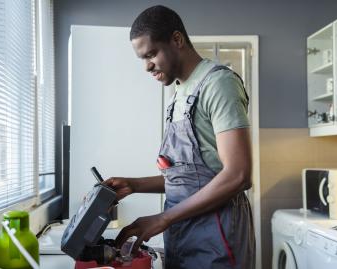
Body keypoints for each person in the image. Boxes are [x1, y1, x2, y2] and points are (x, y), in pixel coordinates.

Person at [103, 5, 255, 269]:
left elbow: (239, 175)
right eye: (142, 58)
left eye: (151, 54)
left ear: (177, 40)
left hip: (217, 236)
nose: (147, 66)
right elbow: (191, 178)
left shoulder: (218, 84)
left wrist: (163, 218)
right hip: (184, 235)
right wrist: (134, 184)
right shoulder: (178, 94)